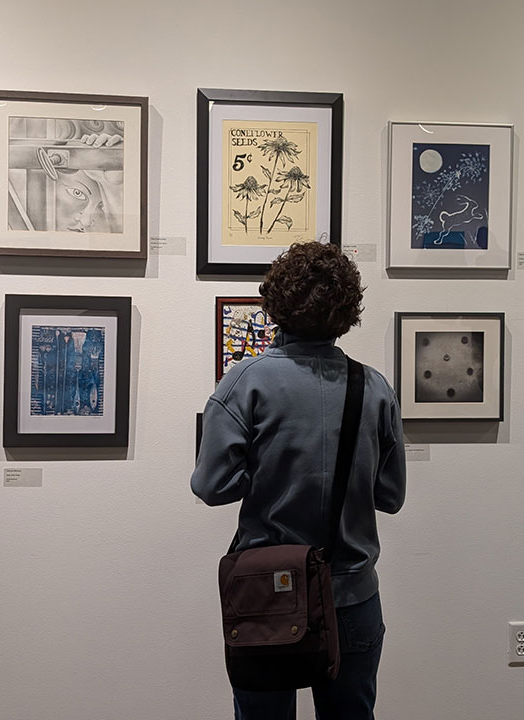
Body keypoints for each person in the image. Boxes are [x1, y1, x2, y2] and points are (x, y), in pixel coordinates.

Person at [191, 242, 407, 720]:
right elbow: (390, 496)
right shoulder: (372, 386)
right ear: (347, 310)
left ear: (277, 303)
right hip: (351, 595)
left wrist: (267, 472)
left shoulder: (245, 381)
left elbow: (210, 486)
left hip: (270, 594)